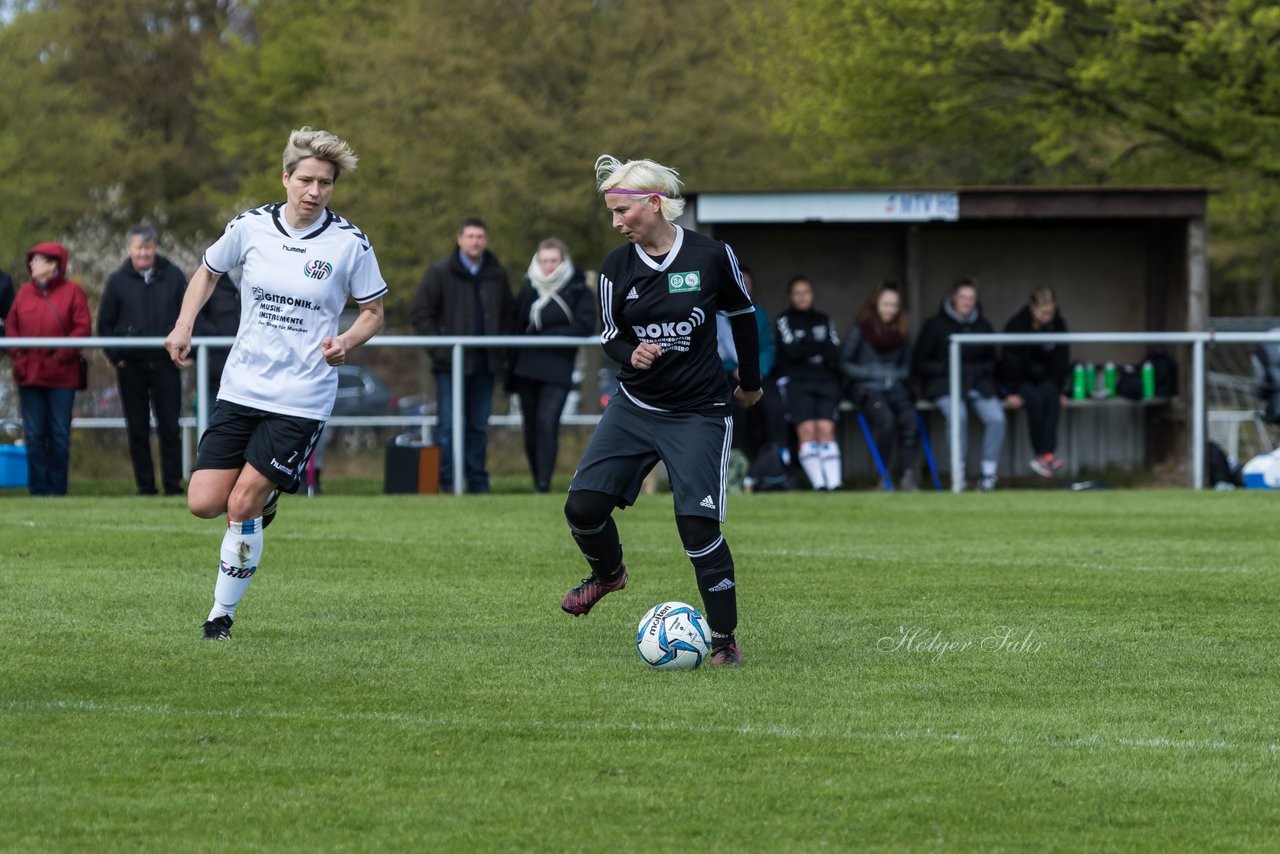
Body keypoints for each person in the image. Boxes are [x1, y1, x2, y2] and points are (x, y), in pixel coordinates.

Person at [164, 127, 387, 641]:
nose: (314, 191)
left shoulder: (349, 243)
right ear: (285, 178)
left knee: (239, 504)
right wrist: (183, 324)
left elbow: (373, 311)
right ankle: (267, 501)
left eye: (325, 183)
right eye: (306, 180)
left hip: (302, 396)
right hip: (242, 387)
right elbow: (207, 271)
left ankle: (220, 617)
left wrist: (347, 341)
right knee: (203, 502)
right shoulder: (250, 227)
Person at [560, 154, 762, 667]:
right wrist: (632, 352)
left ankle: (724, 641)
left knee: (697, 527)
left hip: (699, 411)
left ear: (654, 203)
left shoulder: (712, 255)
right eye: (610, 213)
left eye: (623, 211)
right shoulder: (616, 267)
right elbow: (610, 335)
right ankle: (608, 575)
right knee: (581, 508)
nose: (616, 222)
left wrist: (750, 383)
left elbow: (742, 315)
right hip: (635, 406)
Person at [411, 217, 514, 493]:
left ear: (486, 240)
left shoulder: (496, 273)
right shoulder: (440, 272)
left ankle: (478, 483)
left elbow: (508, 314)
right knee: (448, 426)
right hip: (450, 365)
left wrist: (500, 349)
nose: (475, 241)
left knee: (478, 427)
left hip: (485, 363)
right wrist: (440, 350)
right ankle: (448, 482)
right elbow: (422, 313)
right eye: (470, 236)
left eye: (480, 236)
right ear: (460, 239)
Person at [97, 224, 188, 496]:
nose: (144, 253)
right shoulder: (117, 281)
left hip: (165, 365)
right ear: (130, 249)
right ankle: (145, 487)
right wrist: (116, 358)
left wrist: (185, 351)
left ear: (155, 248)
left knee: (170, 427)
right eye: (139, 248)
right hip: (131, 367)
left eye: (148, 248)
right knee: (137, 429)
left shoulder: (173, 276)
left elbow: (188, 316)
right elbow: (105, 324)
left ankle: (173, 485)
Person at [509, 238, 596, 493]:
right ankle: (538, 480)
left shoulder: (578, 287)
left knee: (547, 423)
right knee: (531, 427)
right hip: (526, 368)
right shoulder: (528, 287)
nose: (548, 266)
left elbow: (583, 326)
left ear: (563, 261)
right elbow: (516, 323)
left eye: (553, 260)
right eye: (544, 261)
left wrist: (546, 332)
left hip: (557, 367)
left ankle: (544, 484)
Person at [5, 242, 91, 496]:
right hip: (28, 377)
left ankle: (58, 491)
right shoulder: (23, 293)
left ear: (53, 265)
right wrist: (19, 358)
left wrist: (59, 357)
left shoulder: (73, 292)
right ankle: (38, 491)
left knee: (59, 435)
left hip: (61, 377)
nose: (32, 264)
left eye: (38, 260)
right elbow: (12, 326)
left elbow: (82, 328)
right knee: (33, 435)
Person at [913, 275, 1005, 491]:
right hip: (945, 385)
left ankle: (988, 474)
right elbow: (920, 362)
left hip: (977, 385)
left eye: (971, 298)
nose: (966, 302)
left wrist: (974, 372)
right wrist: (947, 369)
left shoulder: (983, 326)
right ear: (954, 298)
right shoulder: (935, 325)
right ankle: (959, 474)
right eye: (962, 297)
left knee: (997, 418)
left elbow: (993, 362)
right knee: (958, 417)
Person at [840, 281, 919, 490]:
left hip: (894, 387)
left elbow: (906, 367)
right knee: (886, 421)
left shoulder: (902, 331)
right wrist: (871, 373)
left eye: (894, 305)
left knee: (910, 421)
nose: (890, 309)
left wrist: (891, 375)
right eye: (886, 304)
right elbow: (844, 363)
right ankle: (883, 476)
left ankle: (908, 475)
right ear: (876, 304)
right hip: (866, 388)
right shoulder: (861, 328)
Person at [774, 275, 843, 490]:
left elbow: (833, 351)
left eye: (806, 292)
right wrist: (815, 350)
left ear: (812, 295)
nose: (802, 297)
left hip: (824, 380)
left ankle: (835, 484)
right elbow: (791, 351)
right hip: (796, 380)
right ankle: (819, 484)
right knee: (807, 430)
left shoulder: (823, 319)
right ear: (791, 296)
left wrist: (807, 348)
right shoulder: (784, 320)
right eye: (798, 293)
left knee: (826, 429)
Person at [1000, 286, 1070, 478]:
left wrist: (1060, 389)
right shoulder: (1017, 324)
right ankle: (1040, 454)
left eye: (1050, 312)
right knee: (1036, 400)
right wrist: (1011, 391)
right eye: (1043, 312)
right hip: (1021, 381)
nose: (1047, 317)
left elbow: (1061, 361)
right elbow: (1010, 361)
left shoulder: (1058, 325)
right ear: (1033, 307)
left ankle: (1047, 454)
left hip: (1046, 380)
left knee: (1052, 397)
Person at [194, 271, 241, 401]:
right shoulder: (209, 278)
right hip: (215, 373)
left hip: (251, 374)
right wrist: (215, 334)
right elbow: (195, 319)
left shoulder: (260, 276)